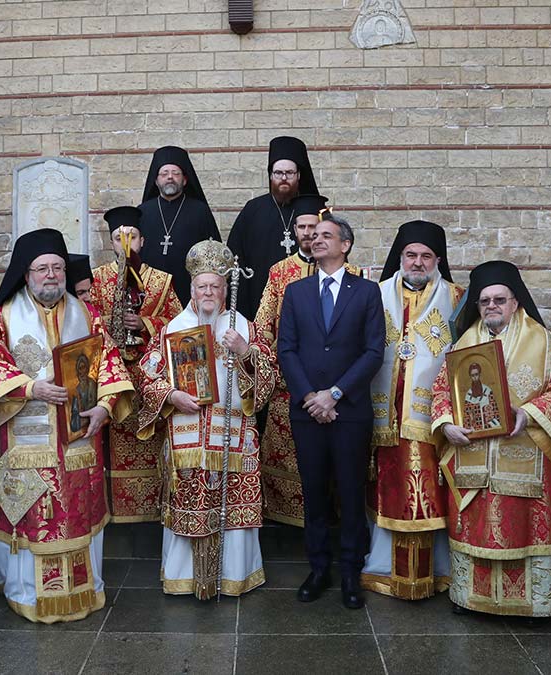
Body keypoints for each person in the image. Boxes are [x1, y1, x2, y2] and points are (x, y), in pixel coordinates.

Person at [0, 228, 134, 623]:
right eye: (42, 268)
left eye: (58, 268)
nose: (51, 275)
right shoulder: (5, 319)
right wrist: (31, 387)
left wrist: (104, 406)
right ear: (26, 274)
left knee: (77, 514)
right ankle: (29, 595)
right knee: (34, 518)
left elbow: (111, 364)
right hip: (27, 444)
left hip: (78, 441)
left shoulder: (88, 315)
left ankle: (84, 591)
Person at [432, 261, 551, 617]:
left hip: (525, 454)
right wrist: (447, 424)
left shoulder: (545, 343)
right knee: (475, 528)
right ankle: (470, 598)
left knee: (525, 529)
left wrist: (528, 413)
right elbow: (440, 392)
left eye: (500, 299)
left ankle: (531, 606)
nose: (492, 306)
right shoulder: (463, 345)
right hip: (474, 455)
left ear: (515, 302)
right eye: (485, 301)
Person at [136, 240, 277, 599]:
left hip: (233, 436)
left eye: (215, 286)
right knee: (189, 502)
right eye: (202, 287)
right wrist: (170, 395)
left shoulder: (243, 327)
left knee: (233, 511)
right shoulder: (172, 329)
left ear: (225, 289)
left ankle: (234, 576)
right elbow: (146, 375)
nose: (209, 292)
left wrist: (245, 352)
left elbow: (269, 380)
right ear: (192, 291)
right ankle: (185, 579)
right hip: (187, 438)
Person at [278, 213, 386, 609]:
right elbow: (286, 349)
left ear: (345, 245)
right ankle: (318, 567)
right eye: (314, 235)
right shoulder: (297, 291)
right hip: (307, 412)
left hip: (349, 411)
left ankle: (350, 573)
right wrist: (311, 396)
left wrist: (335, 394)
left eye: (326, 235)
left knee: (351, 492)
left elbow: (374, 350)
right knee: (315, 492)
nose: (316, 238)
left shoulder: (366, 292)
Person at [363, 220, 463, 600]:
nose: (417, 262)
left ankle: (432, 572)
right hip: (382, 415)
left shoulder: (456, 298)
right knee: (384, 490)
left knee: (426, 496)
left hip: (429, 419)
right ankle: (383, 568)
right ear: (400, 258)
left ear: (437, 260)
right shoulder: (376, 294)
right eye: (410, 255)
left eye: (425, 256)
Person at [254, 194, 360, 526]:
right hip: (293, 389)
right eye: (302, 228)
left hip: (340, 392)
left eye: (314, 228)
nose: (308, 234)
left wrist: (338, 390)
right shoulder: (280, 272)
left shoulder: (356, 276)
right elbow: (264, 328)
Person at [88, 205, 182, 523]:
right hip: (111, 377)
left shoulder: (162, 281)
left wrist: (145, 324)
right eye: (118, 238)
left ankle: (154, 508)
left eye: (131, 236)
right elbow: (87, 325)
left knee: (151, 439)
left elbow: (178, 324)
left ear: (142, 241)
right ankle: (115, 510)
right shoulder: (98, 280)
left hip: (149, 375)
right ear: (110, 243)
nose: (125, 243)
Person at [228, 136, 319, 320]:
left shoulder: (314, 211)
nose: (283, 178)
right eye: (278, 173)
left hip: (310, 307)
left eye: (289, 173)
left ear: (299, 175)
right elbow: (236, 261)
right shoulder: (253, 210)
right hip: (260, 306)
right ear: (270, 175)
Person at [137, 146, 221, 304]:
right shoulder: (143, 212)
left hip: (189, 295)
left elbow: (213, 255)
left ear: (185, 179)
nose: (170, 177)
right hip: (150, 296)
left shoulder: (200, 211)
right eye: (164, 173)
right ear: (155, 180)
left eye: (176, 173)